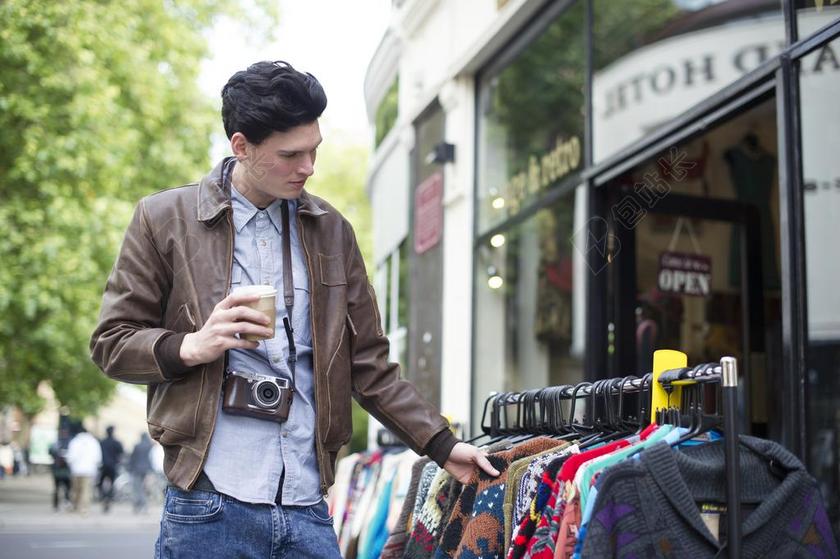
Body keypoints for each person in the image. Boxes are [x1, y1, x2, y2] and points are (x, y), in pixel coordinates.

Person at [90, 60, 498, 558]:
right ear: (241, 146)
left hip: (307, 504)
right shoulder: (164, 219)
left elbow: (368, 363)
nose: (308, 167)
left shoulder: (332, 229)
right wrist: (192, 346)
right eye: (291, 155)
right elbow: (111, 342)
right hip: (209, 502)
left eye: (314, 151)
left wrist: (440, 444)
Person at [65, 423, 102, 515]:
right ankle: (84, 508)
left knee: (75, 490)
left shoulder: (75, 441)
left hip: (76, 470)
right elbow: (98, 458)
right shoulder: (93, 442)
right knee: (86, 490)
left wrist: (70, 464)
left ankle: (75, 506)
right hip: (89, 470)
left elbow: (70, 457)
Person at [97, 425, 124, 512]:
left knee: (100, 483)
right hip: (113, 466)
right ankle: (109, 497)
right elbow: (121, 454)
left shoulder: (102, 442)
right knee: (112, 483)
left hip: (103, 466)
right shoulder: (116, 442)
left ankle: (103, 496)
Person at [127, 433, 153, 514]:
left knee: (137, 488)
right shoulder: (149, 446)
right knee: (145, 489)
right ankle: (144, 506)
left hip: (137, 470)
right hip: (147, 470)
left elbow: (132, 458)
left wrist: (129, 468)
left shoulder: (137, 446)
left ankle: (138, 505)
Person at [48, 427, 73, 510]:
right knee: (64, 488)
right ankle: (64, 502)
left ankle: (58, 504)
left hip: (59, 471)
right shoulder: (69, 443)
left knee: (59, 488)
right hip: (63, 471)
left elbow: (50, 452)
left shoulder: (56, 443)